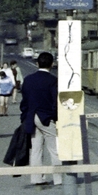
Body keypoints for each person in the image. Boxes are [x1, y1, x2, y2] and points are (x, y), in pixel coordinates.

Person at [19, 51, 60, 187]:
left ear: (37, 64)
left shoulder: (28, 79)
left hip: (31, 117)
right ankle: (59, 178)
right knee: (54, 149)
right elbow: (55, 101)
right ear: (52, 64)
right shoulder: (53, 80)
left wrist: (26, 115)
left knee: (36, 150)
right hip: (47, 118)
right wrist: (55, 117)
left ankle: (37, 178)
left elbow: (24, 101)